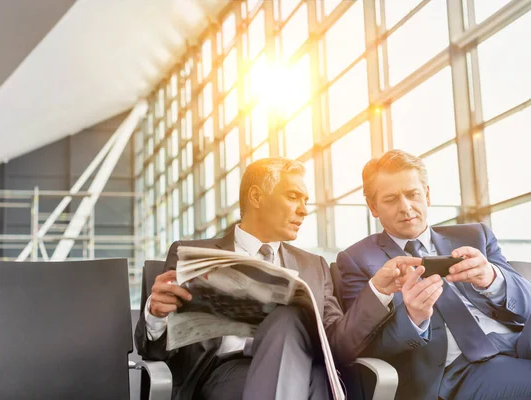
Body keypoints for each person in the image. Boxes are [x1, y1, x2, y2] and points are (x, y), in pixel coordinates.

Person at [135, 157, 411, 400]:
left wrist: (376, 290)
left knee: (290, 323)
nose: (304, 210)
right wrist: (156, 315)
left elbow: (337, 345)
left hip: (308, 369)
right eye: (293, 197)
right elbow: (156, 350)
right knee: (287, 318)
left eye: (305, 201)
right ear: (256, 197)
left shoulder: (313, 266)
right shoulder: (195, 255)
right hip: (228, 373)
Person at [337, 149, 531, 400]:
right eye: (391, 199)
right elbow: (358, 346)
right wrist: (414, 319)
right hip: (460, 369)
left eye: (412, 194)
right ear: (373, 206)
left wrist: (493, 279)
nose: (405, 207)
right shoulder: (357, 260)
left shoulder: (476, 235)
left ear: (427, 195)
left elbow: (527, 304)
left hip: (519, 341)